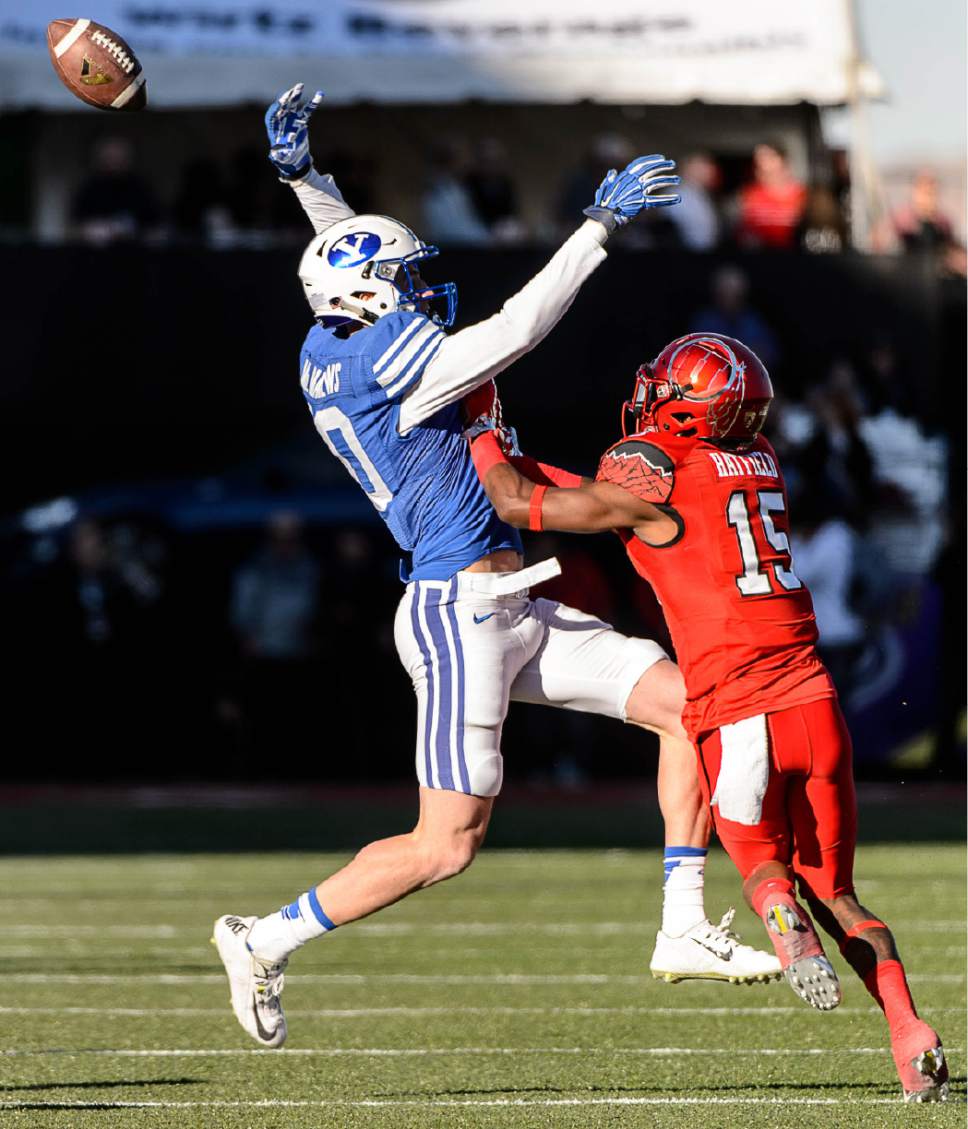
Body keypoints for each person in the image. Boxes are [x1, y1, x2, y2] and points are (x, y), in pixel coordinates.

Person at [212, 86, 778, 1050]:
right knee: (448, 844)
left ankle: (682, 920)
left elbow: (349, 260)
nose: (426, 289)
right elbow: (518, 326)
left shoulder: (339, 331)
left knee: (692, 706)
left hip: (515, 595)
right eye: (408, 282)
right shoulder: (386, 360)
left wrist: (308, 178)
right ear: (372, 303)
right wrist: (597, 230)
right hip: (455, 608)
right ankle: (263, 936)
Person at [468, 333, 948, 1103]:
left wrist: (479, 423)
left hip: (737, 709)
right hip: (816, 705)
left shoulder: (658, 468)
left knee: (764, 865)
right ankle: (908, 1030)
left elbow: (520, 502)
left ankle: (780, 920)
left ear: (691, 406)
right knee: (844, 894)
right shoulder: (757, 459)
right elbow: (614, 496)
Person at [735, 140, 806, 250]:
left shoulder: (803, 194)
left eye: (769, 157)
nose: (763, 163)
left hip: (797, 257)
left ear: (783, 160)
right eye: (759, 159)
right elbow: (743, 232)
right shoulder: (750, 194)